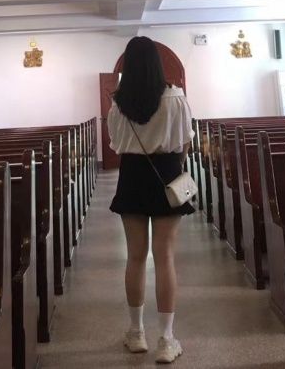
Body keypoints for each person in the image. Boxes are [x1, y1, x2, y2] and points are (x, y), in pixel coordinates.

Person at [108, 36, 194, 364]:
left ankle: (136, 333)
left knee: (135, 257)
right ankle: (167, 340)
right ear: (157, 64)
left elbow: (116, 143)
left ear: (128, 65)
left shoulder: (119, 103)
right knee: (165, 257)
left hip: (132, 174)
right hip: (167, 173)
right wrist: (175, 165)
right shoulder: (176, 98)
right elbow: (185, 141)